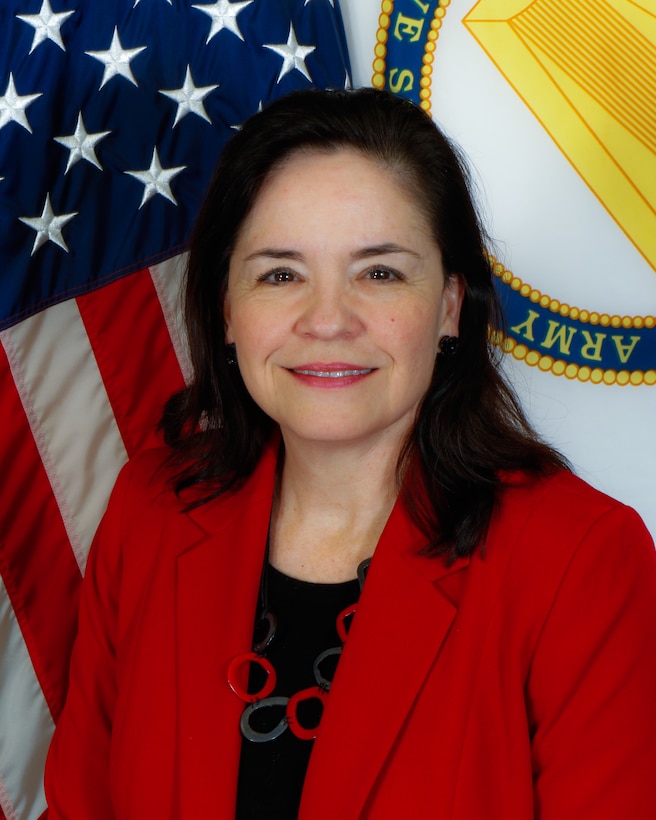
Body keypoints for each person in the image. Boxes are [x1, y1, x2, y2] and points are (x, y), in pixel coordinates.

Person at [45, 87, 656, 819]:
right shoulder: (152, 510)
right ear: (227, 311)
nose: (327, 320)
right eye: (280, 274)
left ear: (451, 304)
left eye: (379, 273)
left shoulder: (581, 560)